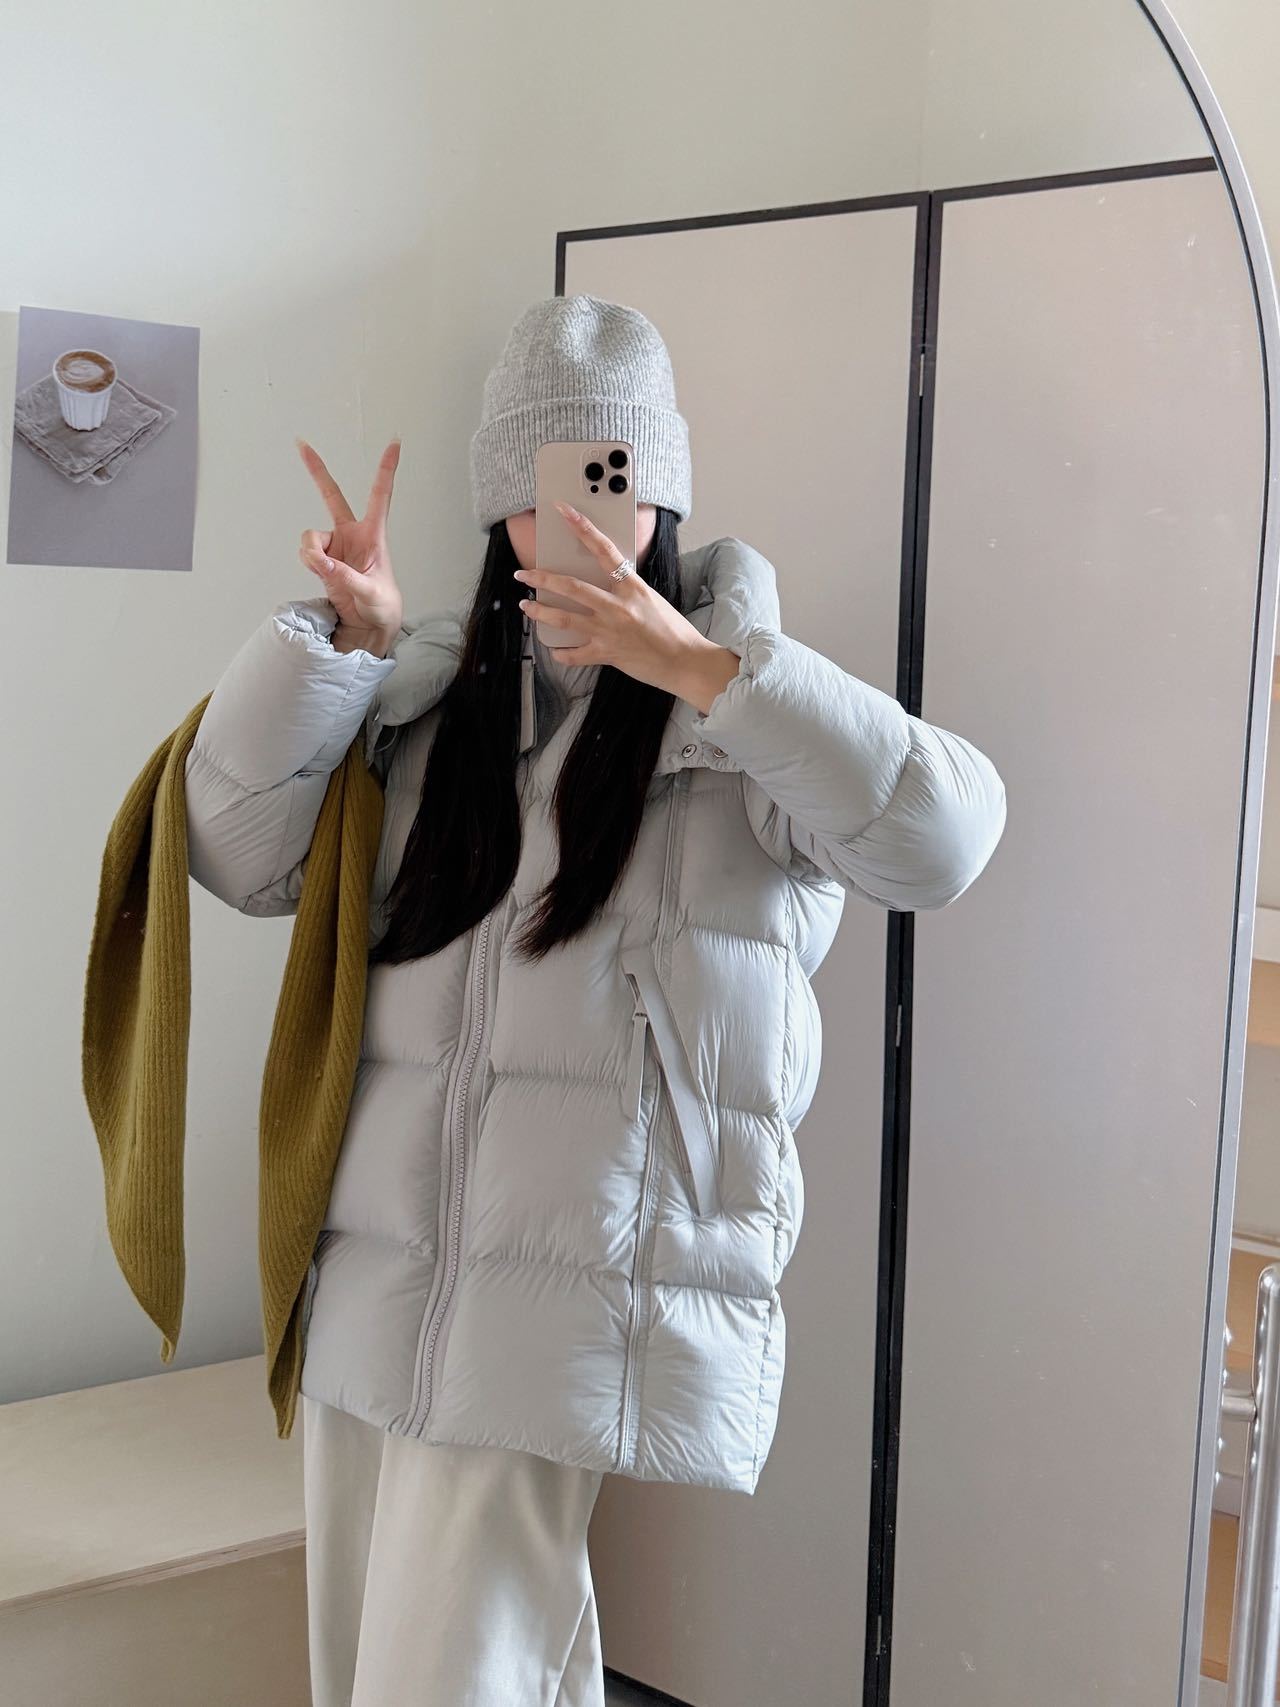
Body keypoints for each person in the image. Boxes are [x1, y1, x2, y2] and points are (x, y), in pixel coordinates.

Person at [184, 293, 1007, 1706]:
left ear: (661, 491)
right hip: (373, 1269)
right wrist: (345, 648)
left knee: (444, 1680)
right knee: (390, 1667)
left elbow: (942, 842)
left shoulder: (741, 725)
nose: (573, 517)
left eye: (608, 476)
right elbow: (231, 851)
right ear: (494, 506)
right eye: (539, 484)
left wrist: (707, 674)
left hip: (569, 1286)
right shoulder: (425, 714)